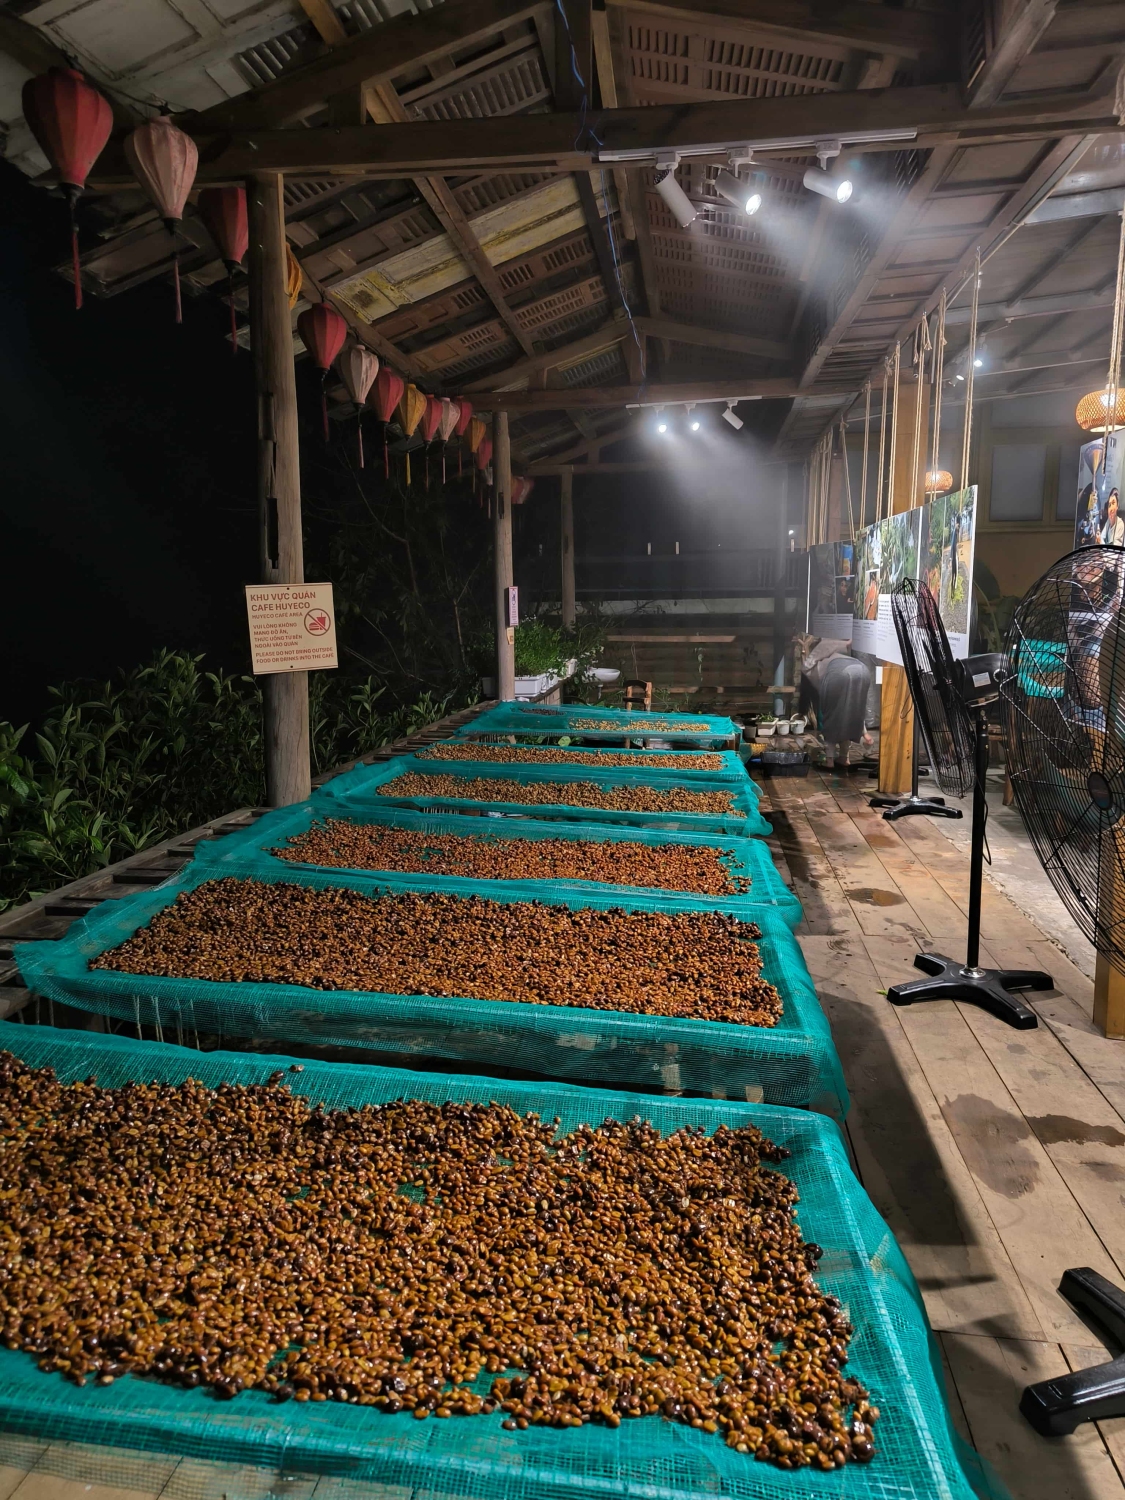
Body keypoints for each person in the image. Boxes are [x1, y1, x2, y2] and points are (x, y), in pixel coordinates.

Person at [795, 634, 874, 769]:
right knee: (854, 710)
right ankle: (844, 757)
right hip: (861, 669)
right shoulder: (834, 653)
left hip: (838, 673)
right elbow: (854, 711)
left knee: (831, 717)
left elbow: (806, 667)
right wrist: (863, 731)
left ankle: (829, 761)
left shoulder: (814, 667)